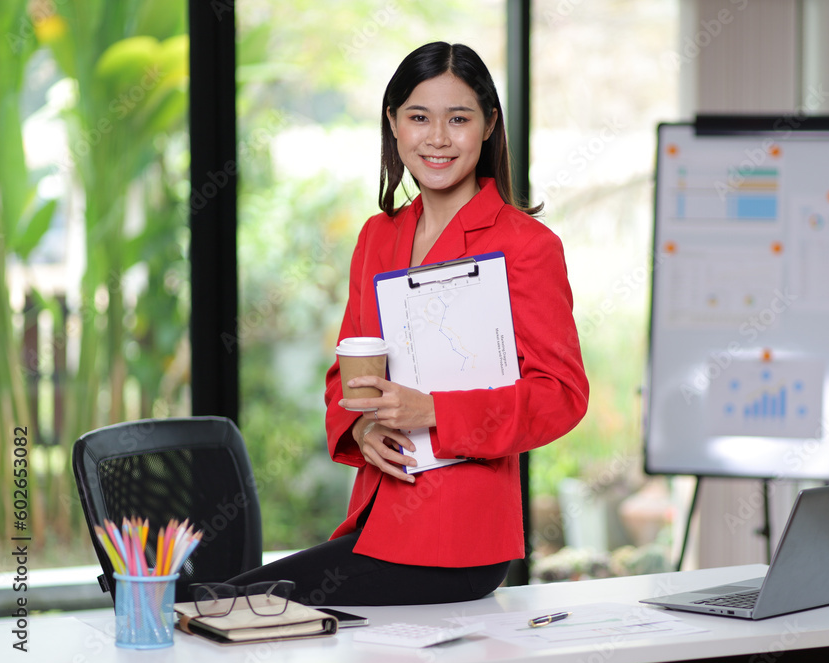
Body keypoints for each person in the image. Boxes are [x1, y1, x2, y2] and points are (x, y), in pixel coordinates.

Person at [226, 41, 588, 606]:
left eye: (459, 119)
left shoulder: (526, 246)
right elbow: (345, 374)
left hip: (460, 541)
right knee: (219, 604)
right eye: (419, 117)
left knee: (227, 603)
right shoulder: (378, 236)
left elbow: (562, 395)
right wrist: (363, 429)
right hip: (379, 521)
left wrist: (436, 412)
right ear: (393, 125)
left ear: (489, 125)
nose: (437, 138)